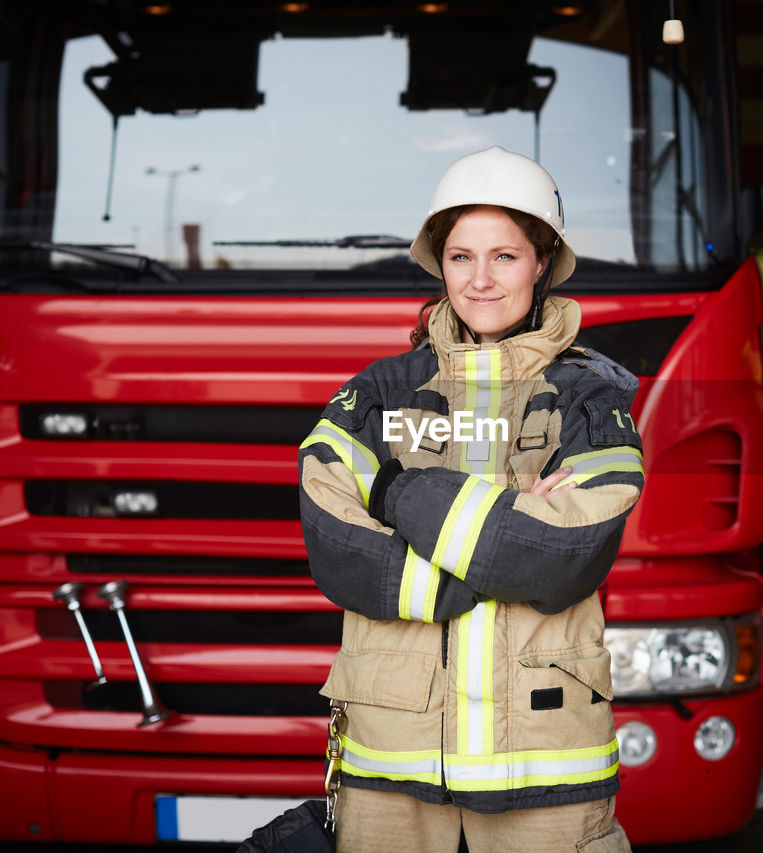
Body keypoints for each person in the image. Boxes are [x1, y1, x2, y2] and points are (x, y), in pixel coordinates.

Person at [299, 146, 643, 852]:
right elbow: (336, 545)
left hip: (547, 762)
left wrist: (397, 491)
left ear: (542, 260)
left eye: (505, 257)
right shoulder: (380, 390)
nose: (480, 280)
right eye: (461, 257)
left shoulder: (591, 396)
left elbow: (563, 554)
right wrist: (504, 532)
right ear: (440, 264)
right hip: (391, 757)